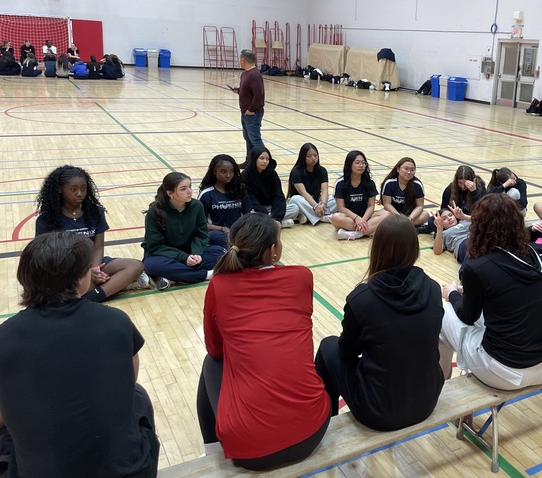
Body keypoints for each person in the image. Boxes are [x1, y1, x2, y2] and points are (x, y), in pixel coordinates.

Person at [0, 232, 159, 478]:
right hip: (132, 473)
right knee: (138, 396)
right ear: (80, 279)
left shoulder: (5, 336)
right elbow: (128, 383)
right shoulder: (116, 321)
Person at [198, 214, 330, 469]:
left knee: (211, 363)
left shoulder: (219, 285)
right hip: (314, 432)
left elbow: (215, 350)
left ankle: (211, 451)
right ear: (273, 251)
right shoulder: (301, 276)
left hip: (251, 450)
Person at [315, 214, 444, 430]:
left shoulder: (362, 299)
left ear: (377, 248)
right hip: (428, 399)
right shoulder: (432, 288)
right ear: (414, 248)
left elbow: (346, 351)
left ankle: (326, 426)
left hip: (380, 412)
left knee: (328, 346)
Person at [439, 194, 542, 390]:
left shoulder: (477, 267)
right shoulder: (532, 255)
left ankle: (441, 388)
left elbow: (468, 317)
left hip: (507, 371)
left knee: (443, 311)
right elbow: (506, 293)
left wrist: (452, 293)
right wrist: (467, 291)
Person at [35, 164, 148, 301]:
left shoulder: (95, 212)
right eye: (73, 189)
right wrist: (85, 273)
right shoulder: (47, 219)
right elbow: (45, 256)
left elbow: (98, 246)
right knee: (52, 285)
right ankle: (107, 287)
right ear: (60, 189)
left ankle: (91, 298)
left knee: (136, 266)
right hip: (65, 269)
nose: (80, 193)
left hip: (92, 263)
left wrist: (94, 269)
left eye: (83, 189)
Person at [142, 172, 226, 290]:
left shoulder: (197, 206)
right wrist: (183, 258)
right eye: (183, 189)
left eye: (190, 186)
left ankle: (173, 276)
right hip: (164, 255)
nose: (190, 191)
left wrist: (196, 253)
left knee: (221, 253)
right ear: (170, 193)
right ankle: (206, 274)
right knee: (151, 265)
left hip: (190, 252)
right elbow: (155, 246)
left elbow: (201, 235)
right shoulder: (154, 212)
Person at [198, 154, 255, 246]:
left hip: (237, 232)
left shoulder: (240, 190)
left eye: (231, 171)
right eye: (223, 172)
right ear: (214, 171)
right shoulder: (207, 194)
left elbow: (248, 214)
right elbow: (201, 224)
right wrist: (222, 229)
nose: (228, 175)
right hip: (216, 234)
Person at [331, 150, 387, 240]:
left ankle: (355, 234)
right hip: (349, 217)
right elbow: (341, 208)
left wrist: (363, 220)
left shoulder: (369, 183)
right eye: (357, 163)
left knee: (386, 214)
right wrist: (357, 218)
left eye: (363, 163)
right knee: (335, 217)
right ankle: (368, 231)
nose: (361, 165)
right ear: (349, 164)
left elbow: (371, 206)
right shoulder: (340, 183)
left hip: (366, 216)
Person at [241, 145, 303, 227]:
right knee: (247, 214)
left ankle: (270, 223)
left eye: (267, 159)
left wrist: (277, 216)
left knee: (294, 208)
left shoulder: (272, 174)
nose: (265, 161)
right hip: (255, 208)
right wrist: (263, 212)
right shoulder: (245, 175)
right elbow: (250, 198)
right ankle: (276, 224)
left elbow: (278, 195)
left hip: (270, 208)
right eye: (261, 158)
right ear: (254, 159)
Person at [287, 142, 337, 225]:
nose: (313, 158)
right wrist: (316, 206)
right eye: (309, 156)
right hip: (304, 201)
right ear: (303, 157)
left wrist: (323, 204)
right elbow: (303, 192)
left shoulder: (322, 170)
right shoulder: (296, 172)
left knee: (336, 199)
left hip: (317, 201)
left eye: (315, 155)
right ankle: (322, 217)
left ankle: (310, 215)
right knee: (295, 199)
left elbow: (325, 190)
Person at [230, 49, 265, 161]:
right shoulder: (245, 73)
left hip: (252, 113)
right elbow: (248, 90)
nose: (239, 61)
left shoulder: (254, 75)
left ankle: (265, 160)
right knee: (248, 138)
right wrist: (239, 90)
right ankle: (250, 161)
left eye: (240, 59)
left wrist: (251, 109)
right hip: (245, 112)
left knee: (255, 139)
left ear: (243, 60)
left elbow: (259, 95)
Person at [380, 157, 430, 229]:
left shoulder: (417, 184)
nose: (409, 172)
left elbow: (420, 206)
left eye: (412, 170)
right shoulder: (389, 183)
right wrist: (399, 217)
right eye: (406, 169)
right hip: (393, 213)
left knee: (425, 215)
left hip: (409, 214)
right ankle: (406, 227)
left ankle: (399, 226)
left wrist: (409, 218)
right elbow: (387, 204)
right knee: (384, 215)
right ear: (398, 169)